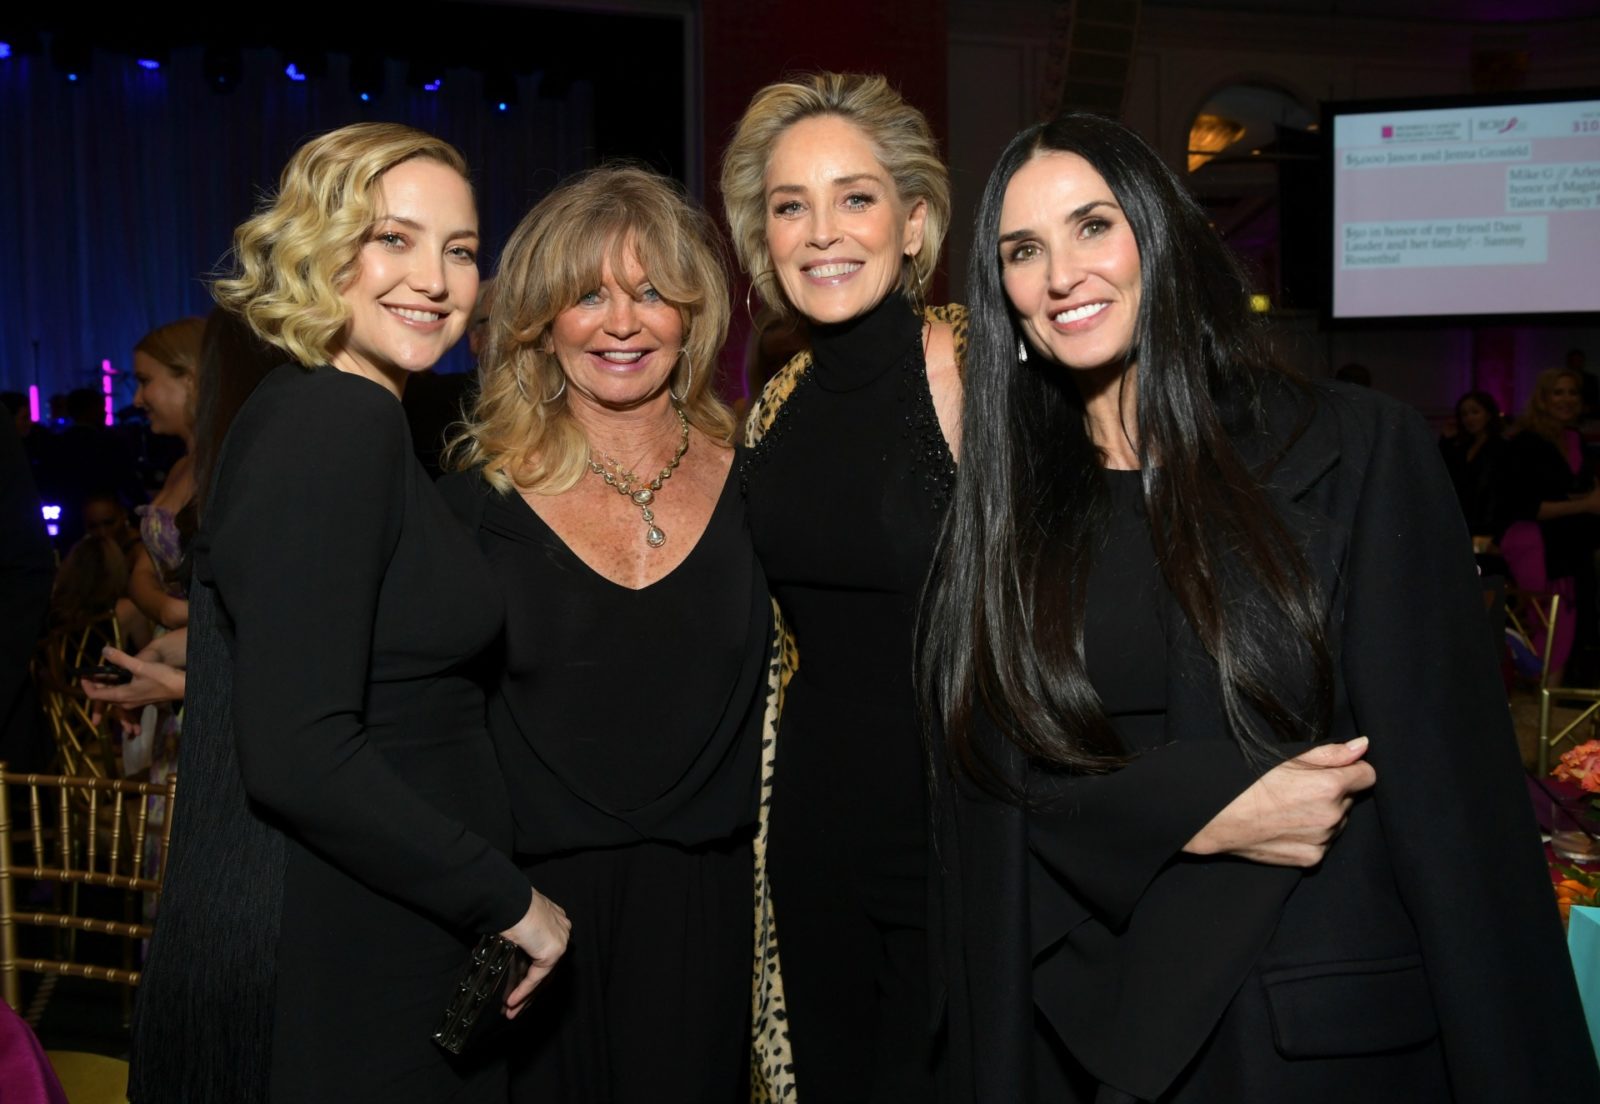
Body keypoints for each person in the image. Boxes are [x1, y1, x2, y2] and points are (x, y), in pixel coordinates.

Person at [918, 111, 1600, 1103]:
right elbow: (979, 785)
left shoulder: (1357, 450)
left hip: (1310, 1036)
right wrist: (1193, 809)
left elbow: (1457, 809)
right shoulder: (1005, 507)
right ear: (1004, 294)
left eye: (1093, 225)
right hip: (1089, 1030)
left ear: (1160, 234)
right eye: (1023, 250)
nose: (1061, 273)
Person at [127, 122, 568, 1104]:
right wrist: (511, 902)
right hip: (363, 939)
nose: (436, 278)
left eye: (458, 249)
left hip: (387, 921)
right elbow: (297, 749)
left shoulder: (341, 415)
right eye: (393, 239)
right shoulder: (333, 423)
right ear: (317, 252)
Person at [440, 165, 767, 1103]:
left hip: (716, 918)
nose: (622, 324)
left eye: (654, 293)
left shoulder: (764, 486)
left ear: (693, 316)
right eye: (588, 296)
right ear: (541, 320)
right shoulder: (469, 510)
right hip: (529, 923)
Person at [720, 71, 962, 1100]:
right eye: (789, 205)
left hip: (955, 824)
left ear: (913, 221)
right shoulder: (776, 401)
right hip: (810, 829)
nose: (821, 231)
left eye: (854, 197)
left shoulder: (973, 367)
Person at [127, 318, 205, 632]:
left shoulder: (229, 464)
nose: (136, 399)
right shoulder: (180, 467)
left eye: (145, 381)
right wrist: (168, 610)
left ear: (189, 378)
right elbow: (140, 575)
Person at [1437, 389, 1509, 538]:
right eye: (1464, 414)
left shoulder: (1501, 447)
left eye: (1475, 412)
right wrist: (1446, 441)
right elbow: (1445, 476)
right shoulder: (1462, 447)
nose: (1469, 419)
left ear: (1488, 414)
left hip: (1488, 525)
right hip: (1461, 522)